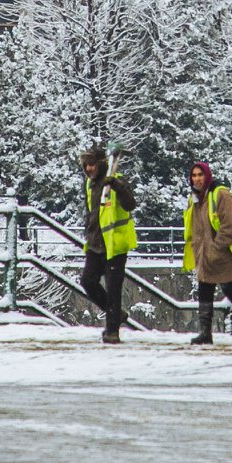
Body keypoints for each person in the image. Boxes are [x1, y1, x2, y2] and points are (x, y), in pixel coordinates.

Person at [181, 161, 232, 345]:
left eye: (200, 175)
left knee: (228, 288)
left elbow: (230, 224)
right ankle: (208, 331)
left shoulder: (220, 194)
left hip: (222, 253)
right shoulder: (195, 198)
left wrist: (216, 248)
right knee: (207, 290)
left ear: (207, 175)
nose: (197, 179)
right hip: (205, 253)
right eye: (194, 175)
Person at [77, 145, 138, 344]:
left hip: (115, 244)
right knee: (88, 281)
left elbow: (130, 204)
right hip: (95, 244)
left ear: (101, 164)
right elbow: (91, 211)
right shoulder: (90, 185)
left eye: (92, 165)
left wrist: (118, 187)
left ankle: (112, 331)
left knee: (113, 289)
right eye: (86, 165)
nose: (88, 169)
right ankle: (116, 315)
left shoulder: (116, 181)